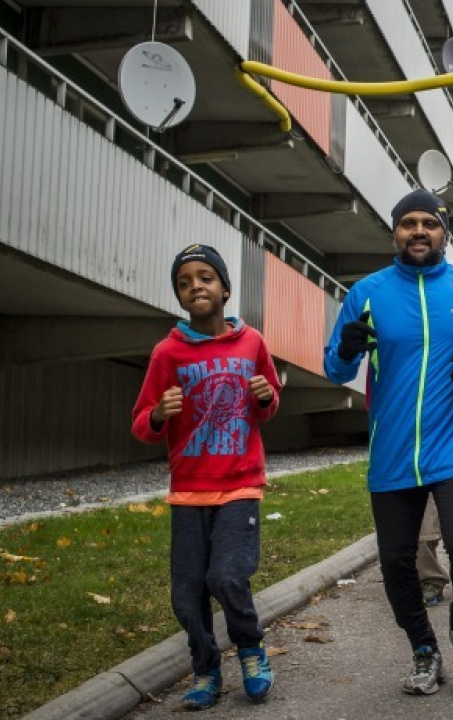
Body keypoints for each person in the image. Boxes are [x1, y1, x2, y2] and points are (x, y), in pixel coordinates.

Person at [323, 189, 453, 696]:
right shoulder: (367, 293)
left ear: (444, 232)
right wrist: (345, 350)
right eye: (407, 223)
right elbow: (335, 367)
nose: (418, 231)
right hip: (392, 452)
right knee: (395, 560)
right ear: (394, 232)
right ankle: (423, 649)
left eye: (428, 223)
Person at [131, 244, 282, 710]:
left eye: (205, 277)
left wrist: (264, 396)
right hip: (189, 492)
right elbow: (141, 424)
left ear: (225, 289)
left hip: (239, 484)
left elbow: (269, 404)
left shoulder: (252, 343)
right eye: (184, 282)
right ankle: (206, 669)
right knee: (186, 595)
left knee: (228, 576)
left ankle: (251, 649)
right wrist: (158, 414)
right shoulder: (167, 353)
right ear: (179, 296)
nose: (195, 286)